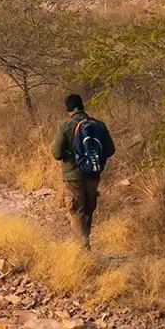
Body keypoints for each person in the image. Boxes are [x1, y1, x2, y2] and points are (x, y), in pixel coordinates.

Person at [51, 93, 114, 249]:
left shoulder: (65, 126)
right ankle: (85, 242)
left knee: (76, 210)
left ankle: (83, 248)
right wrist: (93, 158)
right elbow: (110, 149)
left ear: (68, 109)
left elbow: (57, 153)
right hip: (93, 173)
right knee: (88, 209)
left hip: (73, 175)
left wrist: (73, 156)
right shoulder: (98, 125)